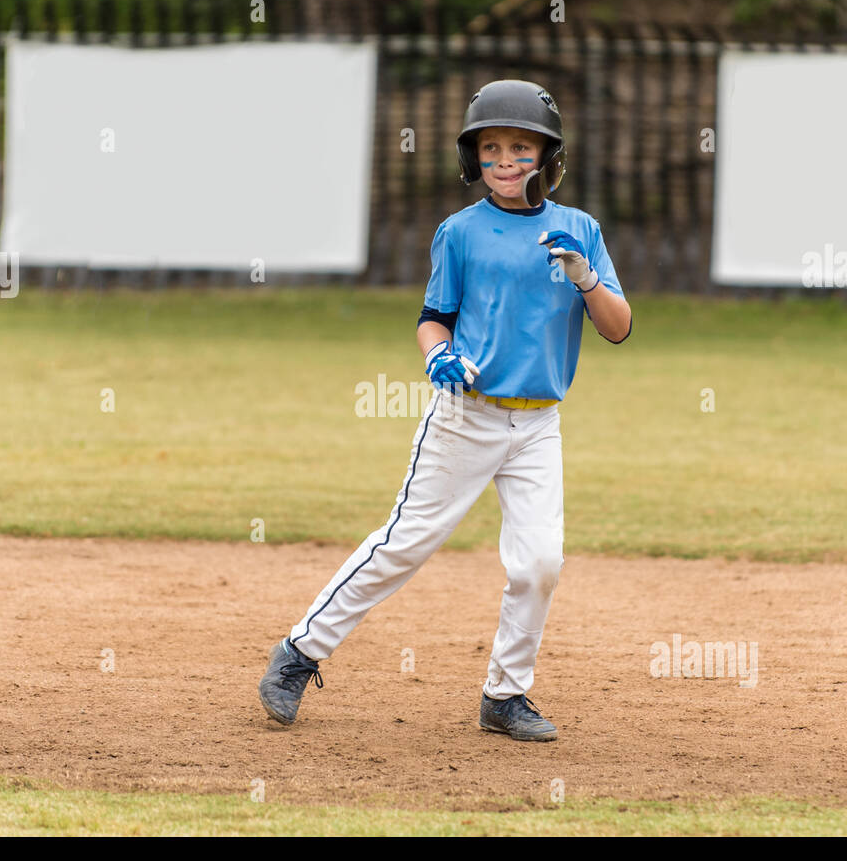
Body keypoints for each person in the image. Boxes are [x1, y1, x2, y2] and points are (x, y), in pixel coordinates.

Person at [258, 79, 632, 741]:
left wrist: (586, 277)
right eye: (492, 148)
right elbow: (434, 320)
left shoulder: (580, 231)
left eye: (522, 146)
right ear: (473, 160)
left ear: (548, 156)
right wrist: (437, 357)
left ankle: (505, 695)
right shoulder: (459, 234)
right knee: (405, 544)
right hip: (467, 414)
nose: (508, 160)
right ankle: (299, 651)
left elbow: (619, 326)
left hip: (538, 423)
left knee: (541, 561)